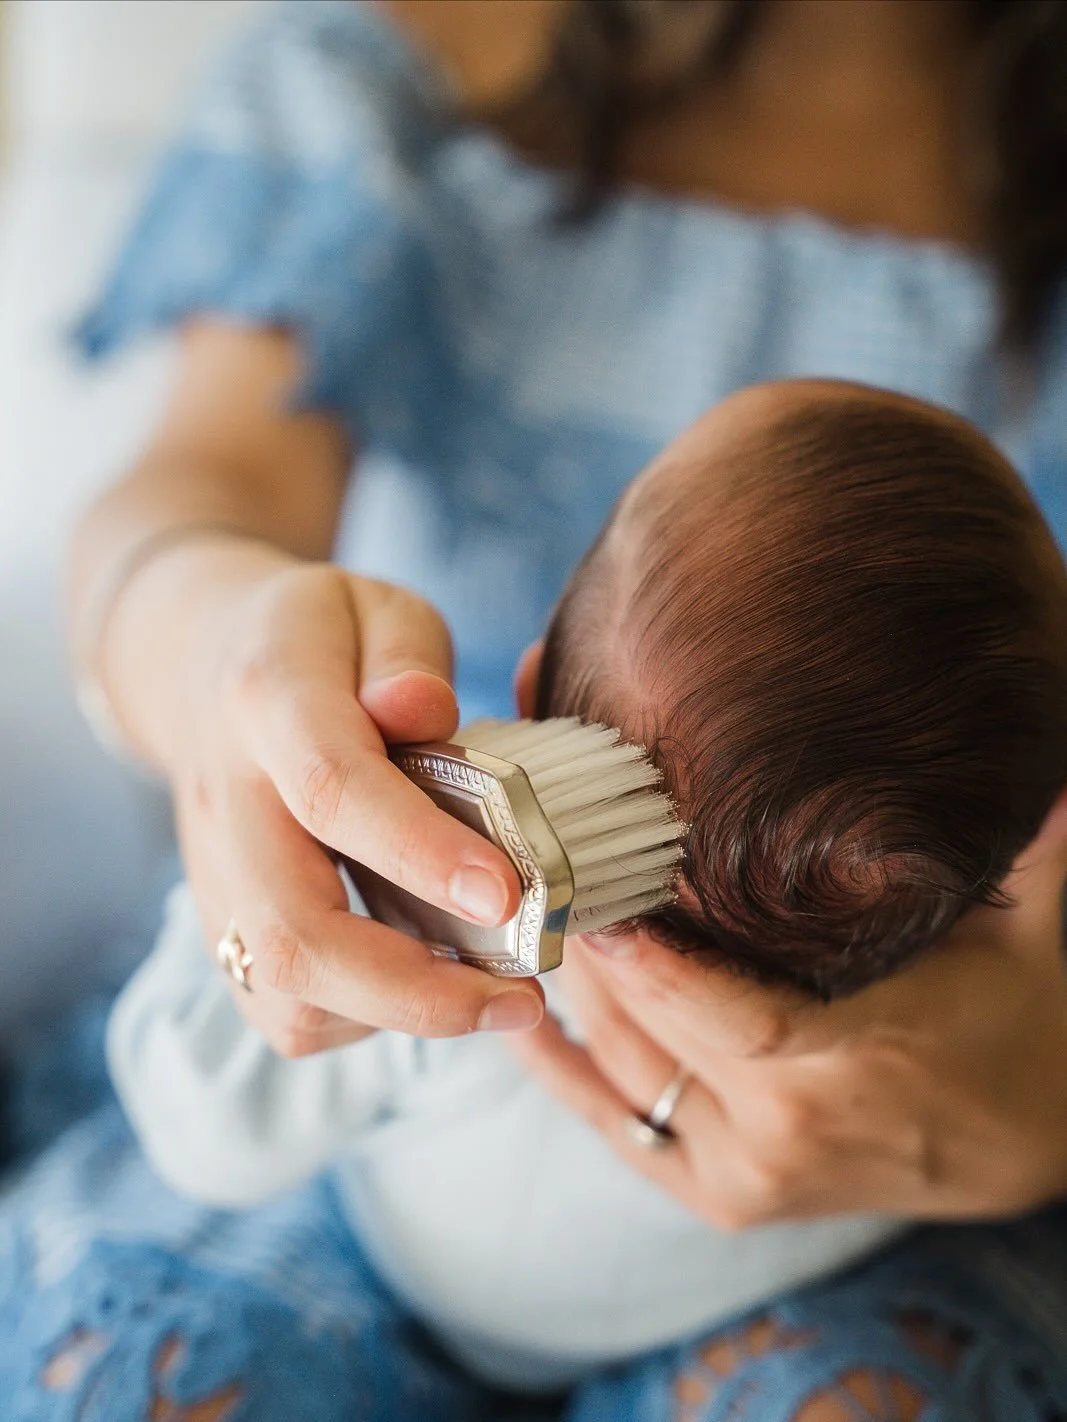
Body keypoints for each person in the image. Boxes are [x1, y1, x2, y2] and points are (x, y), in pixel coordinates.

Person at [2, 1, 1067, 1418]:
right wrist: (215, 643)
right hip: (337, 1129)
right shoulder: (387, 80)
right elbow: (205, 490)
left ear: (522, 679)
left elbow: (206, 1104)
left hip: (932, 1136)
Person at [102, 378, 1067, 1402]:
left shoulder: (430, 949)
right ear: (1036, 840)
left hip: (378, 1257)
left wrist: (259, 916)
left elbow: (199, 1127)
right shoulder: (942, 1052)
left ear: (525, 687)